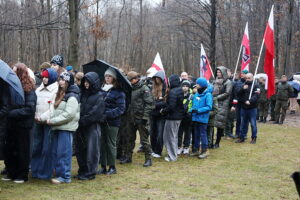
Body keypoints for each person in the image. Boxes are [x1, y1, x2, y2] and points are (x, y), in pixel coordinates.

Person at [2, 63, 36, 183]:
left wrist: (12, 113)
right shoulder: (10, 87)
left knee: (23, 150)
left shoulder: (29, 88)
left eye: (15, 71)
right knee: (11, 149)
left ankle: (22, 174)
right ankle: (12, 172)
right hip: (12, 124)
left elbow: (30, 109)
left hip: (24, 125)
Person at [47, 72, 80, 184]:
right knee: (56, 152)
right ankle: (59, 173)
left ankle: (65, 176)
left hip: (66, 129)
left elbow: (68, 114)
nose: (60, 82)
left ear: (68, 81)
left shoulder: (72, 96)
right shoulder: (61, 93)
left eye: (63, 80)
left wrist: (52, 121)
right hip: (58, 127)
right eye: (60, 79)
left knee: (64, 153)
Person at [75, 72, 105, 180]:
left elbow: (96, 112)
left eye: (89, 82)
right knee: (80, 149)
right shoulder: (82, 93)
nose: (86, 84)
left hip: (92, 126)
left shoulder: (99, 95)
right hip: (81, 126)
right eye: (85, 81)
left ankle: (90, 172)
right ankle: (82, 170)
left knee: (92, 150)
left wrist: (83, 120)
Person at [121, 71, 153, 167]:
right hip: (131, 118)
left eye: (131, 80)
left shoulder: (144, 88)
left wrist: (145, 117)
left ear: (135, 79)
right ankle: (128, 157)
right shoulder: (130, 89)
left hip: (141, 118)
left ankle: (148, 159)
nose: (130, 82)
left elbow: (149, 104)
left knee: (144, 140)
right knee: (129, 138)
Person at [31, 68, 58, 179]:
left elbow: (52, 108)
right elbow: (34, 104)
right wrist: (35, 116)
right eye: (43, 77)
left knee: (47, 148)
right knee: (36, 147)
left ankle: (46, 172)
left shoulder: (56, 90)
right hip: (37, 122)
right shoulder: (38, 90)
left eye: (47, 77)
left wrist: (41, 117)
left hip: (48, 123)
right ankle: (35, 170)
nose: (45, 79)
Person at [98, 68, 126, 175]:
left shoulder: (119, 92)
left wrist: (107, 114)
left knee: (110, 144)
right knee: (102, 144)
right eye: (106, 76)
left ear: (114, 78)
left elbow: (121, 109)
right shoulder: (102, 90)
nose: (107, 78)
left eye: (109, 76)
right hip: (101, 121)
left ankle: (112, 167)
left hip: (113, 122)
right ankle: (103, 166)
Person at [161, 74, 184, 162]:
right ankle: (174, 153)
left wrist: (163, 111)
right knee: (174, 136)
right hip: (177, 117)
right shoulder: (179, 90)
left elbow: (171, 106)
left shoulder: (173, 92)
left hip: (172, 118)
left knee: (169, 137)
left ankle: (172, 156)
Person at [189, 78, 212, 159]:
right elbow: (193, 105)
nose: (196, 85)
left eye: (197, 84)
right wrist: (191, 110)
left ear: (201, 85)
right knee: (196, 135)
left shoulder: (208, 94)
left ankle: (204, 151)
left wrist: (198, 111)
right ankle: (196, 150)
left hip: (203, 118)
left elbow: (209, 107)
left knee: (203, 134)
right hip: (195, 118)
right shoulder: (196, 94)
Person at [235, 73, 259, 144]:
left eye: (249, 78)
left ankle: (254, 137)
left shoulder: (256, 85)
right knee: (243, 123)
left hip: (252, 108)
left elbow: (256, 95)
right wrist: (242, 89)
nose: (247, 79)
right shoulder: (243, 85)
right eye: (246, 78)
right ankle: (242, 137)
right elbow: (238, 94)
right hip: (243, 107)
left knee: (253, 124)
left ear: (252, 78)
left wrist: (250, 101)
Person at [212, 66, 233, 148]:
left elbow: (227, 93)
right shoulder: (214, 81)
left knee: (220, 124)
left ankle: (217, 142)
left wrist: (216, 98)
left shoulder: (228, 82)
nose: (218, 73)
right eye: (217, 72)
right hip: (214, 103)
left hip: (222, 104)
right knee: (212, 123)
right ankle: (211, 141)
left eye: (220, 72)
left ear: (223, 73)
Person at [150, 71, 167, 158]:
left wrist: (155, 104)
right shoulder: (152, 88)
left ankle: (158, 151)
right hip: (153, 114)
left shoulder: (165, 89)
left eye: (158, 78)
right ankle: (153, 149)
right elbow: (150, 101)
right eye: (155, 78)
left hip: (161, 114)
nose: (156, 80)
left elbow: (165, 102)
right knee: (152, 133)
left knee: (160, 133)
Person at [231, 70, 248, 138]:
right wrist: (234, 105)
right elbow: (236, 93)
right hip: (239, 103)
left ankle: (244, 133)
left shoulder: (251, 83)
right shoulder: (238, 83)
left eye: (244, 74)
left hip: (246, 103)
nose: (242, 75)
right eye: (242, 73)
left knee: (245, 119)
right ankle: (237, 133)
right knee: (238, 119)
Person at [177, 80, 193, 155]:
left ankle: (186, 147)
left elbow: (193, 105)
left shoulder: (191, 96)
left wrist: (190, 111)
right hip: (180, 116)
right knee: (179, 132)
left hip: (188, 116)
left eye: (186, 86)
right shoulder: (179, 95)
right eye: (183, 86)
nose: (185, 88)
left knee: (188, 133)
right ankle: (178, 147)